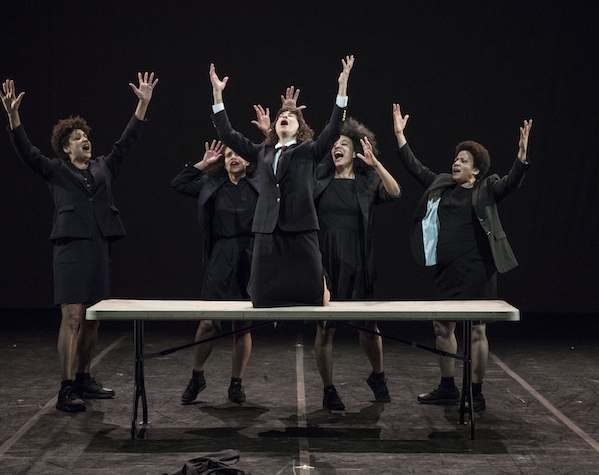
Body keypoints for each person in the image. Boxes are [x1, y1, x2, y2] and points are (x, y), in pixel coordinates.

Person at [0, 73, 159, 413]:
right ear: (65, 147)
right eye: (76, 137)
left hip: (98, 246)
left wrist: (142, 104)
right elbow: (26, 152)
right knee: (72, 316)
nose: (84, 139)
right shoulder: (55, 170)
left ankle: (85, 377)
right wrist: (13, 117)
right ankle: (66, 387)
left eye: (85, 135)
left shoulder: (103, 167)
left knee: (93, 317)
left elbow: (126, 142)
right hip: (70, 248)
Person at [392, 103, 532, 412]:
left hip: (478, 269)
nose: (456, 162)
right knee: (442, 328)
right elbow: (417, 169)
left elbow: (511, 183)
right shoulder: (442, 184)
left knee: (478, 330)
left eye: (463, 160)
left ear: (476, 169)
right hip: (448, 269)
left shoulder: (487, 187)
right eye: (456, 158)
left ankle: (477, 392)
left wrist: (521, 158)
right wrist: (401, 136)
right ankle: (448, 387)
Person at [208, 55, 354, 308]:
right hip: (267, 229)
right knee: (262, 298)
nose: (285, 117)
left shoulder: (308, 150)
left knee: (315, 297)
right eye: (281, 116)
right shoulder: (261, 152)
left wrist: (342, 89)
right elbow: (226, 134)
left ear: (299, 128)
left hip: (300, 227)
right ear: (275, 127)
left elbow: (332, 129)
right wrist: (217, 96)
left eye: (291, 116)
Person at [312, 118, 402, 410]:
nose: (337, 148)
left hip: (359, 262)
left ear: (355, 153)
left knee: (369, 327)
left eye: (344, 145)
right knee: (325, 329)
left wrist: (376, 165)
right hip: (326, 264)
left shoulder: (368, 183)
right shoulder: (319, 181)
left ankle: (378, 376)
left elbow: (395, 192)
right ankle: (328, 390)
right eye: (335, 145)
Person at [171, 140, 259, 404]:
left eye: (238, 154)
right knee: (208, 322)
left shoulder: (259, 185)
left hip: (251, 256)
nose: (233, 157)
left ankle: (236, 383)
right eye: (228, 154)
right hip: (221, 256)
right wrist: (204, 163)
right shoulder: (211, 185)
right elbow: (178, 183)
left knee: (242, 325)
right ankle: (197, 376)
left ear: (247, 161)